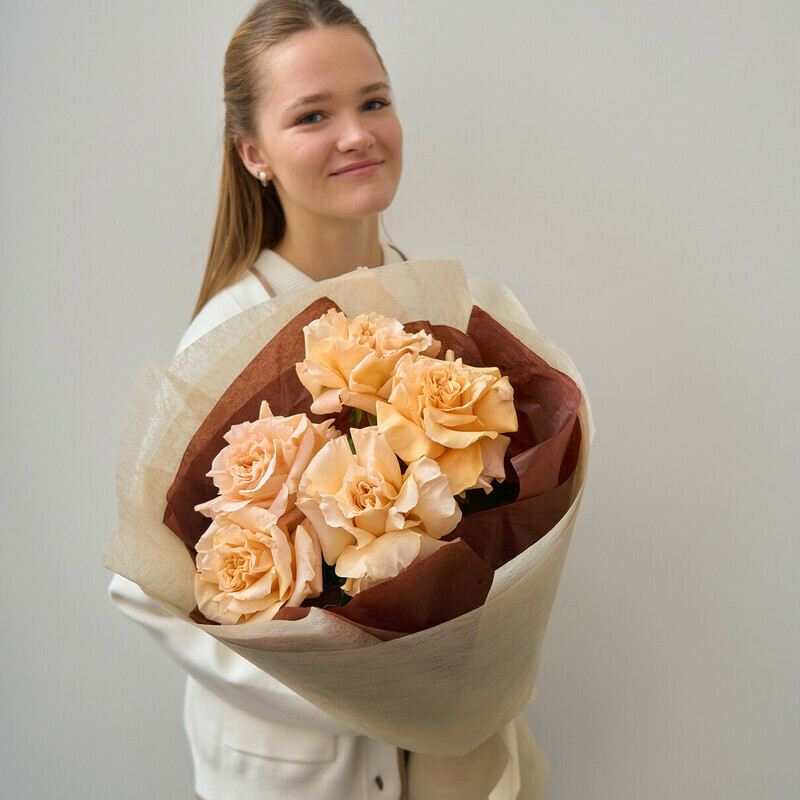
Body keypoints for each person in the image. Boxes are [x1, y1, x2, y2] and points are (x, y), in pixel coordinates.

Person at [109, 2, 409, 798]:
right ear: (254, 153)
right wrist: (360, 695)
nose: (357, 134)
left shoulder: (432, 303)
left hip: (425, 759)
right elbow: (145, 586)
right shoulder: (229, 334)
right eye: (313, 115)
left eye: (374, 101)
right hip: (297, 773)